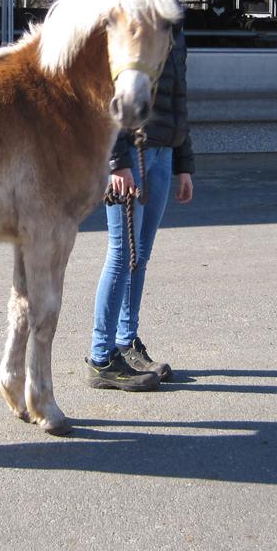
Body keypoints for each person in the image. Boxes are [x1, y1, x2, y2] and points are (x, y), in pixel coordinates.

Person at [83, 20, 194, 391]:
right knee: (122, 253)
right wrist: (117, 162)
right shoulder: (128, 25)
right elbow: (105, 92)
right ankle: (100, 358)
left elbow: (179, 98)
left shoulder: (174, 30)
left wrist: (184, 165)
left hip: (163, 151)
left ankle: (125, 342)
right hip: (132, 153)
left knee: (140, 255)